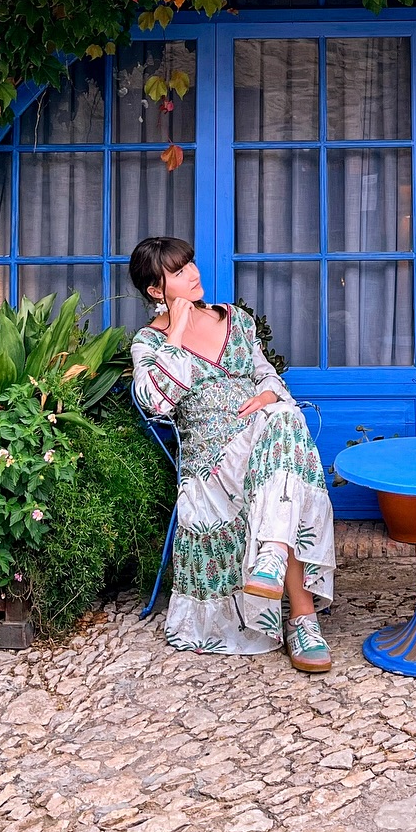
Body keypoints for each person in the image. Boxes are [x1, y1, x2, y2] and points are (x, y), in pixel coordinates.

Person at [128, 234, 335, 672]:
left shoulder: (235, 320)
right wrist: (178, 331)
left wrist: (266, 397)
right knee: (287, 442)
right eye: (179, 271)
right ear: (155, 290)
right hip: (213, 467)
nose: (194, 273)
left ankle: (273, 558)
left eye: (191, 263)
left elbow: (269, 377)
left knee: (281, 416)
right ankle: (301, 615)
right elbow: (156, 402)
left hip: (264, 446)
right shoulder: (148, 345)